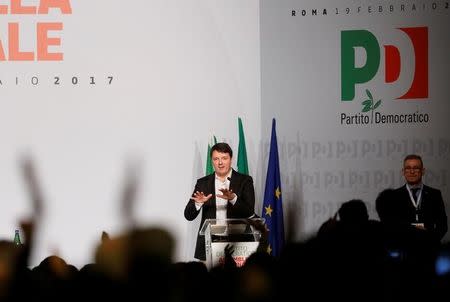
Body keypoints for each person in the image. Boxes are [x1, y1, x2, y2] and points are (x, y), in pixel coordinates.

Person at [184, 142, 255, 261]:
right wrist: (198, 203)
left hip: (238, 245)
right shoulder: (203, 183)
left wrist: (233, 198)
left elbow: (249, 212)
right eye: (216, 159)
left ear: (231, 159)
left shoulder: (245, 181)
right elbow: (188, 215)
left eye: (224, 158)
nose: (220, 162)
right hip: (209, 245)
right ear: (212, 161)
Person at [393, 154, 447, 242]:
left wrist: (431, 241)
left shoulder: (435, 194)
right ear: (403, 172)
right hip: (404, 248)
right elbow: (392, 226)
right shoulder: (394, 196)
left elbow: (443, 225)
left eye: (416, 168)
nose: (412, 171)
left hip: (429, 248)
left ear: (423, 171)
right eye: (408, 168)